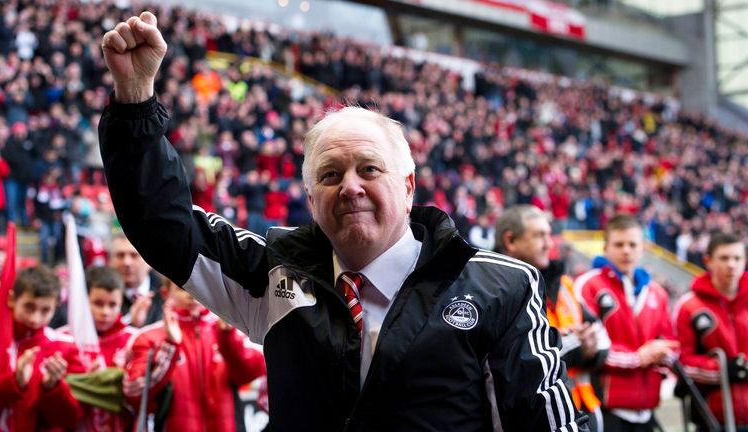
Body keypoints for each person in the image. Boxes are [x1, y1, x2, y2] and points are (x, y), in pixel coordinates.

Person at [100, 12, 584, 431]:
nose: (350, 187)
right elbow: (165, 229)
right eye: (331, 175)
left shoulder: (499, 287)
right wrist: (137, 100)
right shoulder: (274, 272)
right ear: (311, 200)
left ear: (409, 185)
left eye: (369, 169)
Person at [495, 205, 610, 431]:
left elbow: (602, 337)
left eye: (549, 235)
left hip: (581, 412)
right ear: (510, 241)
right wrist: (576, 345)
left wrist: (580, 348)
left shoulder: (565, 284)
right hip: (535, 421)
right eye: (539, 236)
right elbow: (520, 362)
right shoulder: (495, 294)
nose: (549, 244)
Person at [574, 214, 679, 432]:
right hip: (603, 407)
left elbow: (671, 343)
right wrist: (637, 358)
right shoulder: (588, 285)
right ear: (605, 247)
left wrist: (663, 354)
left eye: (632, 244)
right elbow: (586, 348)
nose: (626, 250)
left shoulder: (657, 293)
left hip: (647, 409)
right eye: (619, 244)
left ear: (643, 248)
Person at [123, 276, 266, 431]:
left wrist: (228, 339)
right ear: (165, 293)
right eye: (182, 287)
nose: (192, 293)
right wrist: (170, 347)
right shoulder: (148, 337)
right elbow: (134, 395)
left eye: (199, 286)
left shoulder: (227, 328)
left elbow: (250, 373)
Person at [0, 266, 85, 431]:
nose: (35, 318)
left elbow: (71, 419)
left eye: (45, 310)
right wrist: (13, 383)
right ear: (12, 299)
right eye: (29, 306)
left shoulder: (66, 348)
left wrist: (52, 388)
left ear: (56, 306)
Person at [673, 232, 748, 429]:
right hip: (711, 418)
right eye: (724, 258)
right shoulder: (690, 306)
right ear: (708, 261)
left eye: (737, 258)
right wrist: (723, 370)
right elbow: (680, 361)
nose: (731, 264)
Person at [60, 265, 137, 431]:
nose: (105, 312)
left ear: (121, 303)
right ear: (83, 299)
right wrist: (84, 382)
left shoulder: (134, 339)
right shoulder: (63, 339)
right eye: (98, 303)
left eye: (112, 305)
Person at [109, 233, 163, 327]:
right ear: (109, 261)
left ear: (150, 261)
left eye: (134, 255)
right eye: (120, 255)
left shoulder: (166, 294)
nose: (127, 263)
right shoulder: (100, 296)